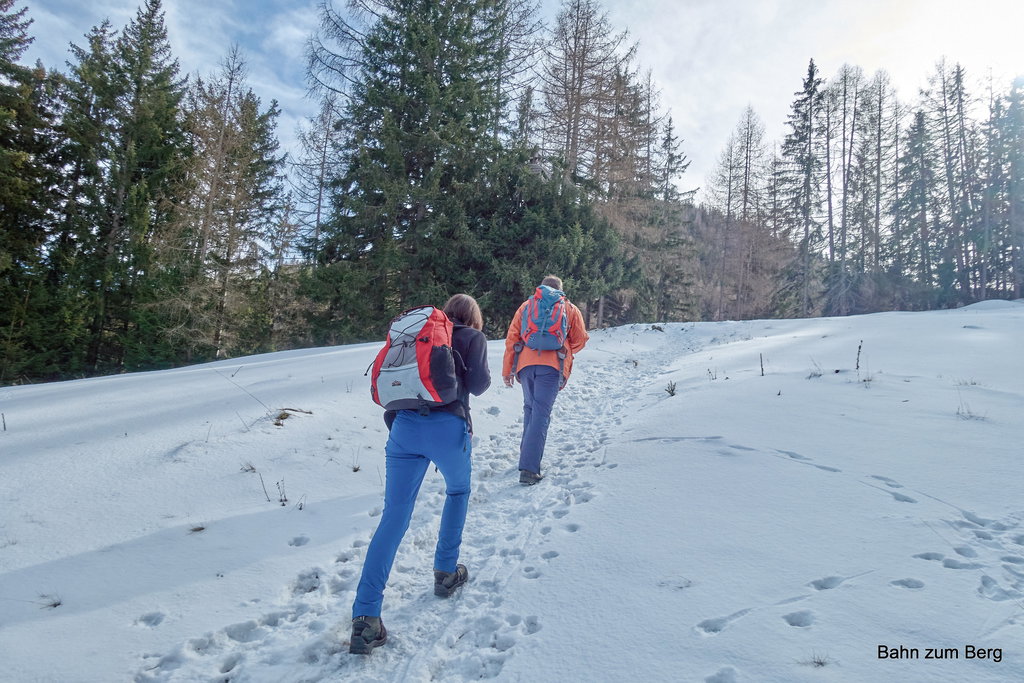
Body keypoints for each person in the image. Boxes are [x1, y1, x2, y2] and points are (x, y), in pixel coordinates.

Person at [350, 294, 491, 655]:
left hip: (404, 428)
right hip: (448, 428)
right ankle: (445, 573)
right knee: (458, 491)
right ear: (472, 317)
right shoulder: (473, 338)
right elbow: (479, 386)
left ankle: (366, 619)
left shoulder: (418, 336)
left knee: (394, 517)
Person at [502, 276, 588, 485]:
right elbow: (580, 339)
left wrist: (508, 370)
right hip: (552, 367)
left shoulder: (526, 306)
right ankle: (529, 470)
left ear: (541, 288)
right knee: (541, 414)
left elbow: (513, 338)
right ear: (560, 290)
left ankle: (526, 458)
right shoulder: (569, 308)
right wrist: (564, 349)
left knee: (530, 409)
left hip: (525, 365)